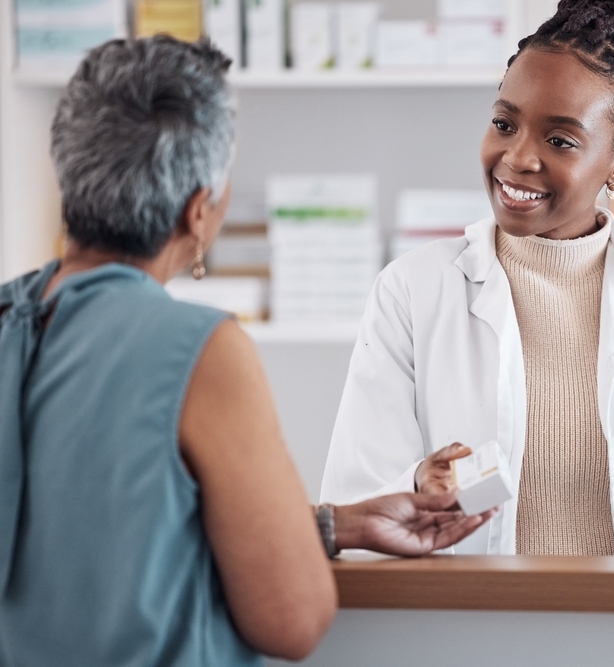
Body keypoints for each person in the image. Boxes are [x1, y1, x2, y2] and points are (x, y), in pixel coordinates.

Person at [0, 36, 493, 666]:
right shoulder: (201, 352)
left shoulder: (16, 320)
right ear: (198, 212)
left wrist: (333, 525)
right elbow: (292, 621)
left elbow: (88, 541)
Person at [321, 0, 614, 559]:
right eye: (505, 124)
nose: (518, 158)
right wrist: (421, 485)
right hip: (469, 634)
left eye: (560, 140)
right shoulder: (412, 292)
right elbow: (356, 507)